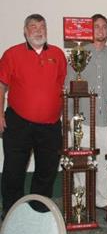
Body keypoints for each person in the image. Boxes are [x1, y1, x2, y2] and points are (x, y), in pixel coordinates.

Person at [0, 14, 67, 219]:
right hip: (18, 122)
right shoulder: (11, 54)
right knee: (14, 169)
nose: (38, 30)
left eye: (42, 26)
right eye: (33, 26)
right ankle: (12, 212)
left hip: (51, 125)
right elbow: (1, 87)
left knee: (47, 170)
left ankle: (39, 210)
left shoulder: (58, 54)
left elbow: (62, 87)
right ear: (25, 31)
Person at [67, 14, 107, 209]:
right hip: (82, 119)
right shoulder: (78, 53)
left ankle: (103, 199)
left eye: (104, 26)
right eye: (97, 26)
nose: (101, 30)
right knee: (81, 162)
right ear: (90, 30)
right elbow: (68, 86)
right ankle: (79, 201)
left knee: (105, 162)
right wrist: (68, 118)